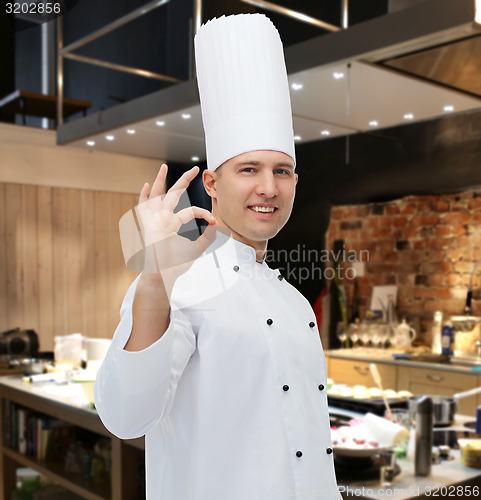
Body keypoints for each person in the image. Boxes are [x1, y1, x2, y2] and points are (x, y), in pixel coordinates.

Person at [95, 14, 341, 500]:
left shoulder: (292, 301)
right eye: (249, 169)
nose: (268, 187)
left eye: (283, 171)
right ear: (210, 183)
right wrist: (153, 283)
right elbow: (125, 418)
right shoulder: (179, 282)